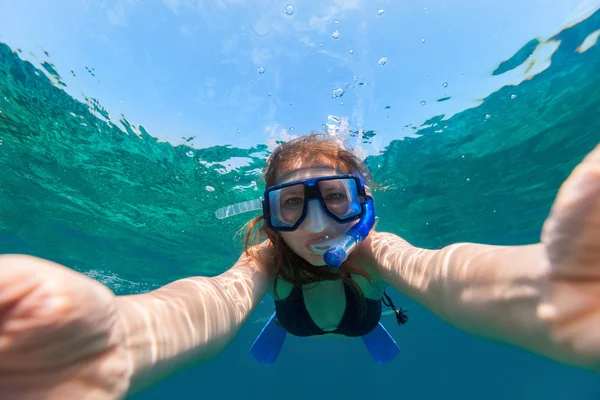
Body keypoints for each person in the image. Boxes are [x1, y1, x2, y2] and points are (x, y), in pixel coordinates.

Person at [0, 133, 599, 399]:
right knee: (285, 318)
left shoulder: (372, 248)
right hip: (296, 318)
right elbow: (220, 296)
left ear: (364, 205)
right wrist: (122, 340)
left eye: (335, 198)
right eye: (292, 205)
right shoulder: (267, 254)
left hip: (363, 316)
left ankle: (361, 331)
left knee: (364, 323)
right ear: (270, 216)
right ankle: (286, 329)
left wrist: (537, 289)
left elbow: (436, 270)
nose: (316, 226)